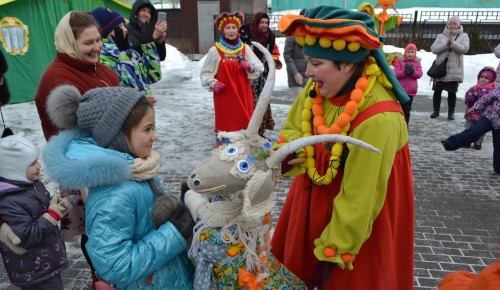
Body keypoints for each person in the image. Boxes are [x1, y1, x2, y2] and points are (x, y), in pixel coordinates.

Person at [272, 6, 414, 290]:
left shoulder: (379, 117)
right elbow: (293, 130)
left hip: (357, 225)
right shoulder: (319, 90)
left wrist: (332, 253)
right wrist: (286, 155)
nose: (307, 71)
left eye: (315, 63)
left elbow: (361, 198)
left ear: (347, 64)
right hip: (311, 200)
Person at [41, 85, 195, 289]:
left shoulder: (138, 169)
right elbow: (116, 265)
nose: (154, 136)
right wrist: (174, 233)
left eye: (153, 128)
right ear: (117, 135)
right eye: (147, 129)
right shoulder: (113, 195)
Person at [33, 11, 120, 288]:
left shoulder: (101, 70)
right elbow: (75, 133)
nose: (96, 47)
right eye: (88, 43)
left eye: (98, 40)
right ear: (70, 43)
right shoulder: (57, 77)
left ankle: (114, 273)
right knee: (96, 229)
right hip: (84, 170)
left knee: (113, 226)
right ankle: (102, 277)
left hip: (109, 161)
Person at [0, 133, 78, 290]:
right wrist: (54, 214)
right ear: (14, 169)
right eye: (32, 163)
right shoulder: (9, 201)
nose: (39, 165)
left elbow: (40, 206)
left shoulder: (29, 183)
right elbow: (27, 235)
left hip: (45, 259)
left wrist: (53, 202)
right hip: (34, 267)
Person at [200, 11, 264, 146]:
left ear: (238, 29)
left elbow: (260, 67)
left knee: (245, 122)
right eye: (228, 28)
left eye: (233, 27)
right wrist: (213, 83)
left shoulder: (245, 49)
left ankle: (245, 150)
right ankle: (225, 153)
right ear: (223, 31)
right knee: (226, 126)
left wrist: (250, 67)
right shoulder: (215, 50)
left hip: (243, 93)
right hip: (224, 96)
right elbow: (205, 73)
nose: (231, 31)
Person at [90, 7, 161, 97]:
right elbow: (128, 88)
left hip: (144, 108)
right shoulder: (101, 57)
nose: (125, 29)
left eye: (124, 25)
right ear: (103, 31)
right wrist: (124, 53)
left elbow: (153, 76)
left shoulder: (130, 50)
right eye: (119, 27)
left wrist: (148, 45)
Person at [240, 12, 283, 136]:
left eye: (266, 22)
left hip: (264, 74)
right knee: (249, 100)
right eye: (261, 22)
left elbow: (273, 52)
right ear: (256, 22)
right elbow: (238, 49)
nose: (264, 25)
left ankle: (260, 130)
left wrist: (274, 61)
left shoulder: (270, 36)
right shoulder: (245, 33)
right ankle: (247, 129)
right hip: (247, 72)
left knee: (262, 100)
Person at [441, 86, 500, 174]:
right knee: (474, 131)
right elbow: (486, 98)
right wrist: (474, 107)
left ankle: (498, 169)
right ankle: (449, 143)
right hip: (490, 117)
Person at [429, 16, 470, 120]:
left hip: (454, 70)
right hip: (440, 69)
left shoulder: (464, 36)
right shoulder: (440, 36)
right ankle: (436, 111)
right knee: (437, 92)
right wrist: (446, 45)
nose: (452, 25)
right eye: (450, 23)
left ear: (459, 25)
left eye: (455, 23)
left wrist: (453, 43)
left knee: (452, 93)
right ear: (447, 25)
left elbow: (464, 49)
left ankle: (451, 113)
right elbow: (433, 49)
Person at [462, 66, 496, 150]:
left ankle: (478, 142)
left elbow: (494, 101)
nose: (483, 79)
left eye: (486, 78)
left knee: (481, 129)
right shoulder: (474, 88)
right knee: (469, 127)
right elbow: (467, 98)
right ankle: (467, 141)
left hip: (485, 114)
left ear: (491, 79)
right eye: (482, 77)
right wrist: (471, 99)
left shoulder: (493, 90)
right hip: (472, 112)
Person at [394, 43, 423, 125]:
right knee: (399, 108)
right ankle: (398, 123)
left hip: (410, 91)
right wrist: (404, 73)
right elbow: (396, 73)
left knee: (407, 109)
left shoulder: (417, 63)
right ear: (405, 52)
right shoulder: (400, 61)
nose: (410, 54)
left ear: (415, 53)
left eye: (412, 52)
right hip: (401, 90)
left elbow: (419, 74)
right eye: (408, 52)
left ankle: (405, 124)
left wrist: (412, 72)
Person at [283, 9, 307, 97]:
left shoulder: (311, 37)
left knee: (309, 106)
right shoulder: (292, 35)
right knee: (301, 103)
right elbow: (287, 56)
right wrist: (295, 73)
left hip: (309, 76)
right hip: (296, 78)